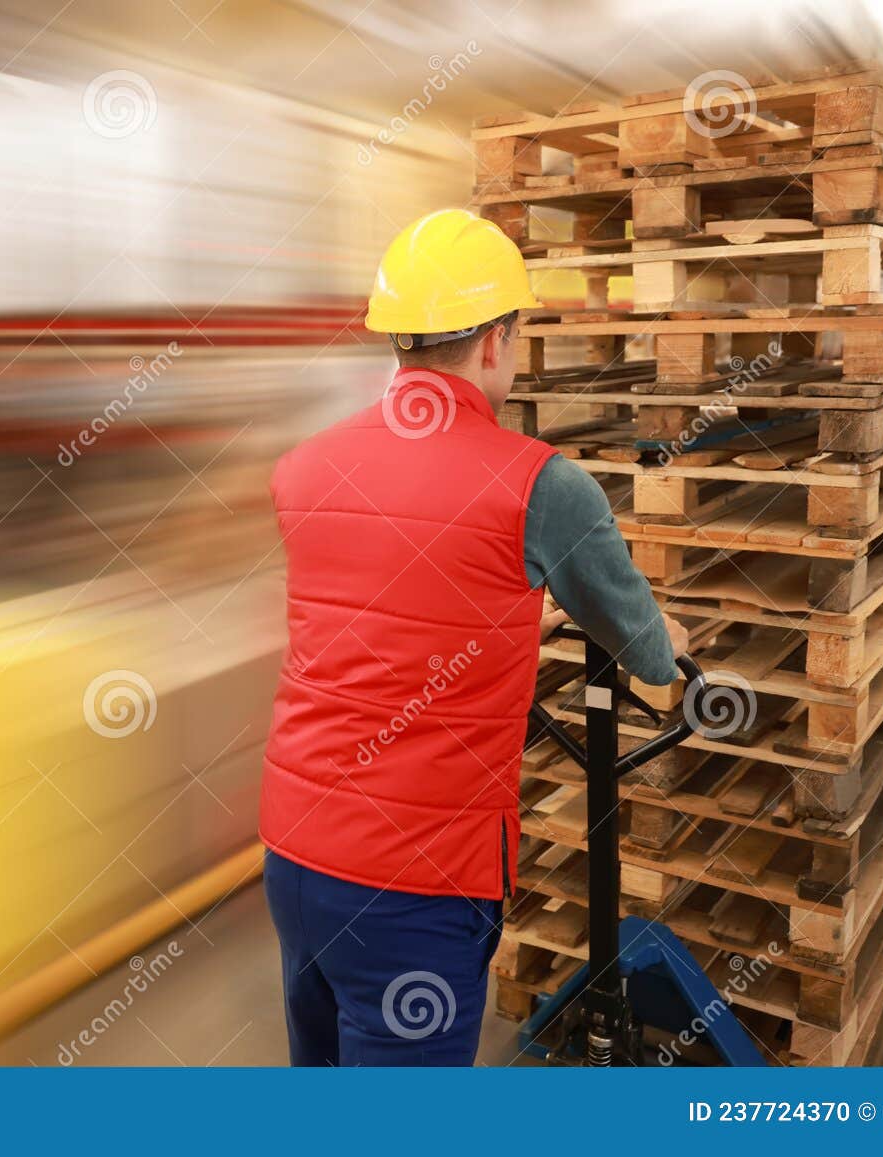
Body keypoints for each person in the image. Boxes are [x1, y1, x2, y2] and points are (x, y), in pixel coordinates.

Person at [258, 208, 689, 1066]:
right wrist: (663, 639)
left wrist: (509, 611)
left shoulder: (302, 466)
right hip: (412, 883)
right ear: (496, 341)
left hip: (294, 850)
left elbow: (385, 601)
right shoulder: (543, 485)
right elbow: (650, 657)